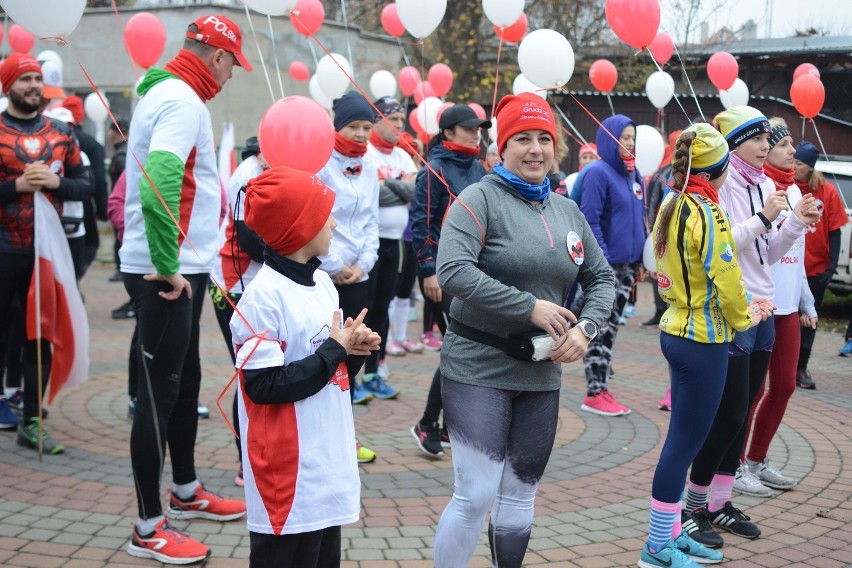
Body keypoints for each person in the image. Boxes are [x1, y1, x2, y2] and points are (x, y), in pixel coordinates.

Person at [432, 93, 614, 567]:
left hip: (540, 374)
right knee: (476, 494)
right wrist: (528, 306)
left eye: (543, 139)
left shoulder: (566, 210)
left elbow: (602, 278)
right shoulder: (479, 199)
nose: (535, 149)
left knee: (519, 494)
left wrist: (586, 329)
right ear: (502, 147)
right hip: (478, 367)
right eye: (522, 139)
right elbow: (452, 270)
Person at [121, 15, 251, 564]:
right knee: (158, 396)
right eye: (230, 67)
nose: (228, 79)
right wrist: (169, 263)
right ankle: (149, 526)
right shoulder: (182, 100)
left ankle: (186, 489)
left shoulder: (168, 90)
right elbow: (162, 179)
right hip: (164, 271)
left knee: (185, 381)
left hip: (179, 266)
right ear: (217, 57)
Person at [681, 106, 818, 549]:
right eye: (758, 139)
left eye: (768, 140)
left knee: (740, 415)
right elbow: (722, 245)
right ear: (735, 142)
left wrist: (796, 222)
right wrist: (763, 219)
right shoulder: (724, 186)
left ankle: (719, 503)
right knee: (727, 414)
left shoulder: (762, 184)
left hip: (765, 310)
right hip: (736, 312)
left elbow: (768, 252)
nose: (767, 147)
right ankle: (692, 505)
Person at [230, 166, 380, 568]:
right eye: (323, 214)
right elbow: (263, 386)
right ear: (297, 228)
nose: (333, 221)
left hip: (326, 460)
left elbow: (329, 372)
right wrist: (335, 350)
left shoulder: (324, 284)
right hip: (288, 475)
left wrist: (353, 353)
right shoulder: (261, 299)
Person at [640, 124, 769, 568]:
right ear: (719, 170)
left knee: (682, 441)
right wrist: (745, 315)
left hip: (675, 330)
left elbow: (664, 266)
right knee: (683, 447)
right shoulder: (707, 212)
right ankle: (658, 548)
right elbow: (727, 277)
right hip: (704, 339)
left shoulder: (672, 204)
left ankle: (672, 536)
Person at [0, 53, 91, 452]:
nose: (34, 86)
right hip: (3, 252)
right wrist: (15, 188)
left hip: (46, 256)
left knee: (41, 336)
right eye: (24, 80)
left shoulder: (62, 132)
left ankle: (32, 421)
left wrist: (55, 182)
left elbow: (85, 187)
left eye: (37, 78)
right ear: (7, 87)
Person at [738, 118, 817, 496]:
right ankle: (734, 467)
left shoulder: (794, 192)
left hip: (786, 306)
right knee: (750, 391)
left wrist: (807, 300)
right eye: (780, 143)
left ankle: (756, 459)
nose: (788, 151)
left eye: (783, 144)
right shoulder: (755, 189)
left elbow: (794, 256)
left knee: (784, 386)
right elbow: (754, 252)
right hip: (757, 304)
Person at [410, 104, 490, 457]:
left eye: (479, 128)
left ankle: (446, 425)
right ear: (447, 132)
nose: (477, 133)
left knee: (466, 350)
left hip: (476, 274)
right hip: (444, 276)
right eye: (469, 127)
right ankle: (428, 422)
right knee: (458, 349)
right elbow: (421, 224)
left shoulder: (479, 168)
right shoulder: (433, 169)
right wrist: (428, 270)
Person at [317, 91, 388, 464]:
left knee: (354, 356)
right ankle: (323, 436)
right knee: (327, 353)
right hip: (327, 273)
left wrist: (366, 262)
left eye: (366, 127)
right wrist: (332, 263)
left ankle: (346, 435)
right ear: (337, 126)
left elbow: (371, 220)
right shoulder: (321, 161)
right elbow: (315, 214)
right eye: (353, 127)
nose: (361, 134)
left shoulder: (370, 164)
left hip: (360, 274)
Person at [209, 136, 268, 487]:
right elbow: (251, 243)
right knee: (249, 372)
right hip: (236, 284)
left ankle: (262, 452)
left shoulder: (270, 169)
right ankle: (245, 461)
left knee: (267, 368)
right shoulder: (248, 176)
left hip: (262, 283)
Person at [578, 114, 646, 416]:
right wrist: (602, 262)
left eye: (633, 137)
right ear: (610, 138)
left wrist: (641, 260)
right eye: (625, 137)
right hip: (606, 268)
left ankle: (602, 386)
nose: (630, 143)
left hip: (629, 268)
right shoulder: (598, 173)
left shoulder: (634, 175)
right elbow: (589, 220)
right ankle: (595, 392)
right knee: (600, 329)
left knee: (611, 330)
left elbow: (638, 220)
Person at [362, 96, 418, 383]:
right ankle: (353, 369)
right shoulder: (366, 152)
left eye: (401, 119)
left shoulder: (402, 155)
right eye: (393, 119)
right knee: (365, 305)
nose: (399, 125)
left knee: (383, 305)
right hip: (369, 242)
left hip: (395, 242)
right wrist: (400, 186)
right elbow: (370, 193)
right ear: (377, 119)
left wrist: (387, 185)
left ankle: (375, 367)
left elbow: (416, 192)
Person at [793, 141, 849, 388]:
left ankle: (801, 368)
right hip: (790, 267)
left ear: (810, 167)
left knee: (808, 321)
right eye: (793, 161)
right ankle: (780, 366)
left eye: (799, 163)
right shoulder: (788, 187)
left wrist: (831, 265)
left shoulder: (826, 191)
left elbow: (835, 230)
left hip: (816, 270)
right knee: (784, 319)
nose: (794, 167)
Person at [61, 95, 108, 272]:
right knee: (88, 246)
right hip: (82, 206)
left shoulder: (50, 140)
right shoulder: (92, 144)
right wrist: (102, 210)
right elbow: (98, 180)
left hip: (52, 207)